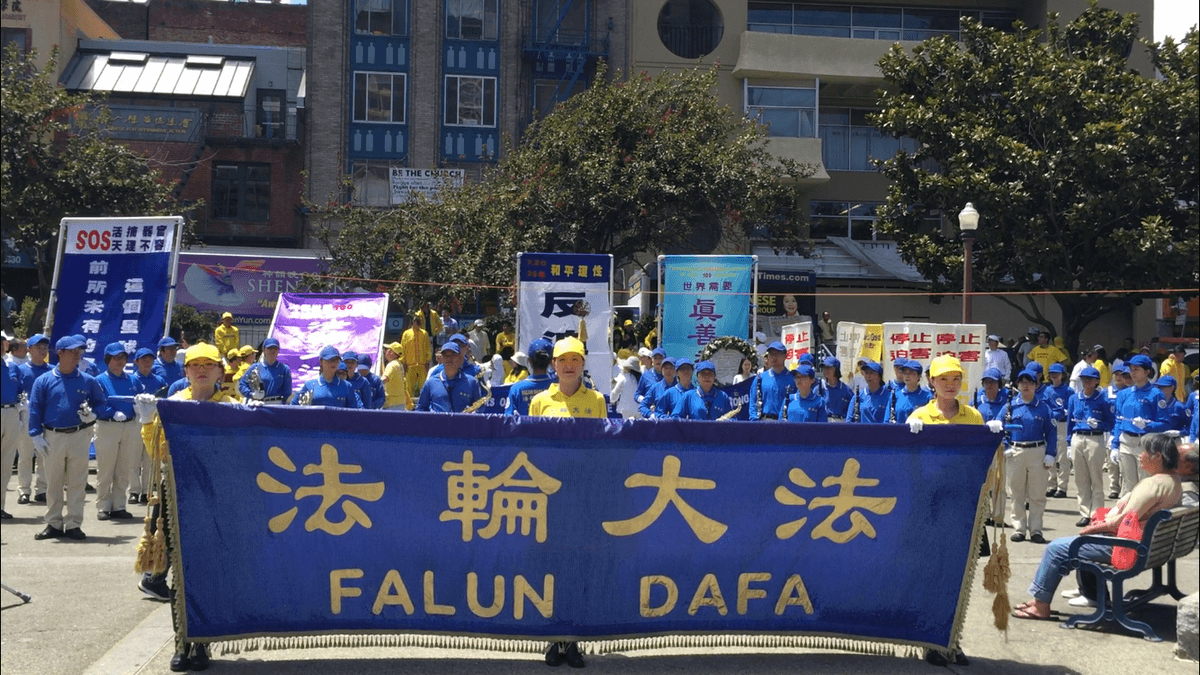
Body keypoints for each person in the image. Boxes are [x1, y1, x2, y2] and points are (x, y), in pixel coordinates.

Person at [133, 342, 242, 671]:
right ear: (186, 372)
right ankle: (182, 643)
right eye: (195, 365)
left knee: (208, 572)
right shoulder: (173, 405)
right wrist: (148, 422)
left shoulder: (233, 406)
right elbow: (157, 454)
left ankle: (203, 645)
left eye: (209, 364)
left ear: (220, 371)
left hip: (215, 496)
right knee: (179, 576)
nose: (202, 370)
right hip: (178, 495)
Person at [1011, 434, 1182, 620]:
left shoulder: (1153, 484)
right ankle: (1090, 593)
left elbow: (1122, 522)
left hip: (1129, 548)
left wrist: (1090, 530)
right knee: (1078, 541)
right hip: (1151, 547)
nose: (1140, 455)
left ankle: (1040, 605)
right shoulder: (1173, 482)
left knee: (1056, 548)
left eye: (1144, 452)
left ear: (1157, 456)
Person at [527, 336, 604, 669]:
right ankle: (552, 637)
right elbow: (530, 451)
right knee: (550, 569)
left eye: (575, 359)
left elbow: (603, 447)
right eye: (563, 360)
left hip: (583, 495)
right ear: (554, 365)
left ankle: (573, 641)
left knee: (578, 569)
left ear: (583, 364)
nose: (569, 365)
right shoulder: (540, 402)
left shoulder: (597, 400)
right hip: (549, 500)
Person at [27, 334, 108, 541]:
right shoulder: (43, 380)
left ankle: (73, 523)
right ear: (60, 353)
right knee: (52, 482)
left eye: (79, 352)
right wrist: (35, 434)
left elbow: (100, 402)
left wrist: (94, 414)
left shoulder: (87, 380)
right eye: (72, 352)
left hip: (79, 435)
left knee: (77, 482)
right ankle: (53, 522)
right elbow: (35, 408)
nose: (76, 356)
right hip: (52, 436)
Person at [1005, 368, 1057, 543]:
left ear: (1036, 385)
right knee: (1016, 493)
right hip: (1015, 452)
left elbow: (1051, 432)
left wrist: (1050, 454)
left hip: (1037, 451)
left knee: (1037, 494)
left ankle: (1036, 530)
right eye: (1022, 382)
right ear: (1018, 385)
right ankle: (1019, 528)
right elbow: (1000, 426)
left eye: (1029, 382)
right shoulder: (1010, 406)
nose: (1026, 385)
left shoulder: (1043, 408)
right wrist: (1005, 446)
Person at [93, 342, 141, 521]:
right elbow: (97, 404)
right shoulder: (100, 380)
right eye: (115, 358)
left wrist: (140, 408)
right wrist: (112, 413)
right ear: (108, 360)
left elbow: (139, 399)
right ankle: (103, 506)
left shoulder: (132, 380)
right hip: (108, 426)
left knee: (124, 468)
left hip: (129, 426)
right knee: (106, 469)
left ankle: (119, 505)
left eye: (122, 358)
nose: (119, 361)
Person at [1111, 354, 1169, 496]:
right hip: (1126, 442)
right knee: (1128, 485)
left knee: (1145, 484)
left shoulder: (1156, 394)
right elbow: (1119, 420)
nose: (1132, 372)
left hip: (1145, 442)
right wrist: (1114, 444)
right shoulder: (1124, 394)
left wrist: (1147, 426)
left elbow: (1164, 423)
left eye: (1137, 369)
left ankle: (1144, 517)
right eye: (1131, 369)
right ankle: (1129, 517)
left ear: (1147, 372)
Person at [1065, 366, 1116, 527]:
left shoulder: (1103, 399)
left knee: (1096, 478)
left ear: (1096, 381)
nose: (1086, 382)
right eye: (1084, 379)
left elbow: (1111, 422)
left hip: (1095, 438)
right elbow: (1069, 423)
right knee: (1081, 479)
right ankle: (1084, 512)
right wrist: (1068, 442)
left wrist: (1099, 424)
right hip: (1078, 437)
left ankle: (1097, 513)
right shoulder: (1074, 398)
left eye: (1090, 379)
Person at [15, 333, 52, 505]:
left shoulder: (52, 370)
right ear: (29, 349)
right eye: (38, 347)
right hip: (28, 416)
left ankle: (42, 489)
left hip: (47, 417)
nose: (42, 351)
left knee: (44, 454)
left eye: (44, 348)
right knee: (25, 455)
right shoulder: (21, 370)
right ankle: (24, 490)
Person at [975, 367, 1011, 526]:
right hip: (980, 447)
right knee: (983, 483)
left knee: (999, 483)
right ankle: (985, 515)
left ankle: (998, 516)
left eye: (993, 382)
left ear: (999, 385)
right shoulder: (976, 400)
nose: (989, 385)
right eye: (986, 382)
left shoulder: (1007, 402)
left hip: (999, 447)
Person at [129, 347, 165, 505]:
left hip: (154, 421)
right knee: (134, 458)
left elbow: (164, 399)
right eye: (143, 359)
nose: (147, 362)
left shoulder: (158, 380)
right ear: (136, 361)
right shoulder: (131, 379)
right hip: (135, 420)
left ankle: (146, 491)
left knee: (150, 458)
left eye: (149, 359)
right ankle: (134, 491)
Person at [416, 342, 483, 413]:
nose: (449, 358)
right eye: (445, 355)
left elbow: (479, 409)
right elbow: (421, 408)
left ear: (460, 357)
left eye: (453, 355)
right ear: (441, 358)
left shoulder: (472, 382)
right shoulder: (430, 383)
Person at [291, 347, 363, 409]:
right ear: (321, 361)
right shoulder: (310, 385)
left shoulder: (347, 386)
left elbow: (353, 412)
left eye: (336, 360)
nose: (334, 363)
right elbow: (293, 407)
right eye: (330, 360)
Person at [1043, 363, 1073, 499]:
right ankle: (1051, 485)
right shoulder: (1047, 390)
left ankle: (1062, 487)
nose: (1054, 376)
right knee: (1050, 454)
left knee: (1063, 457)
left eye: (1057, 373)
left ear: (1063, 375)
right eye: (1051, 373)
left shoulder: (1068, 390)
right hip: (1050, 424)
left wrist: (1058, 412)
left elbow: (1069, 409)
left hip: (1062, 424)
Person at [506, 339, 555, 416]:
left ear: (529, 361)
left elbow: (508, 420)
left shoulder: (516, 389)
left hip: (523, 428)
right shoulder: (558, 386)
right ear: (550, 361)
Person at [1, 331, 21, 519]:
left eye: (2, 342)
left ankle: (1, 506)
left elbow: (21, 389)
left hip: (11, 412)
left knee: (6, 462)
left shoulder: (12, 367)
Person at [238, 337, 292, 404]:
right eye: (269, 348)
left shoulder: (284, 369)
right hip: (259, 404)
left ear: (278, 350)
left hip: (277, 404)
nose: (273, 351)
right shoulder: (255, 367)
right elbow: (242, 384)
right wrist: (251, 394)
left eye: (275, 348)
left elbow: (287, 391)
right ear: (264, 350)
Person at [1105, 364, 1131, 499]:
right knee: (1112, 462)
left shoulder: (1130, 391)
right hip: (1111, 429)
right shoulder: (1107, 391)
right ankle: (1114, 487)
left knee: (1125, 463)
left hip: (1124, 429)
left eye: (1122, 374)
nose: (1118, 377)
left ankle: (1125, 489)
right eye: (1116, 374)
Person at [749, 342, 793, 421]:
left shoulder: (792, 379)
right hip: (764, 422)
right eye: (771, 354)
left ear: (785, 356)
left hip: (785, 424)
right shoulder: (760, 378)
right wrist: (754, 421)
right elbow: (753, 402)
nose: (774, 357)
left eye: (778, 354)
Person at [887, 359, 932, 423]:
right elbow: (887, 420)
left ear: (919, 376)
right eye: (905, 373)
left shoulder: (927, 396)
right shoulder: (895, 396)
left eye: (911, 373)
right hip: (898, 432)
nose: (907, 376)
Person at [401, 315, 433, 400]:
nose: (417, 324)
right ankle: (408, 405)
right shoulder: (406, 334)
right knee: (408, 387)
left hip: (422, 364)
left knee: (424, 386)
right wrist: (403, 362)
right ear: (412, 322)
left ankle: (424, 402)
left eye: (418, 322)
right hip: (410, 364)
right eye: (416, 322)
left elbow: (427, 348)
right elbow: (403, 348)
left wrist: (427, 360)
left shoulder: (424, 333)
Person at [850, 360, 890, 424]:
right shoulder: (859, 395)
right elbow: (849, 419)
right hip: (863, 432)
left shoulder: (888, 396)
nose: (868, 376)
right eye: (866, 373)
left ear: (879, 376)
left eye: (872, 373)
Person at [380, 342, 411, 410]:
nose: (385, 351)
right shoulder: (399, 364)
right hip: (399, 403)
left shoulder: (392, 365)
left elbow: (384, 379)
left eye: (388, 349)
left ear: (392, 352)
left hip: (392, 404)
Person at [820, 357, 853, 422]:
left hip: (841, 423)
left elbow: (852, 409)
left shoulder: (846, 390)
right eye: (824, 368)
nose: (826, 370)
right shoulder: (820, 388)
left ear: (836, 370)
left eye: (829, 368)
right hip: (824, 422)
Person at [609, 355, 642, 419]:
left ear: (628, 368)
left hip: (626, 410)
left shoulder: (623, 378)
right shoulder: (641, 379)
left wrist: (612, 400)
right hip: (638, 410)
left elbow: (614, 393)